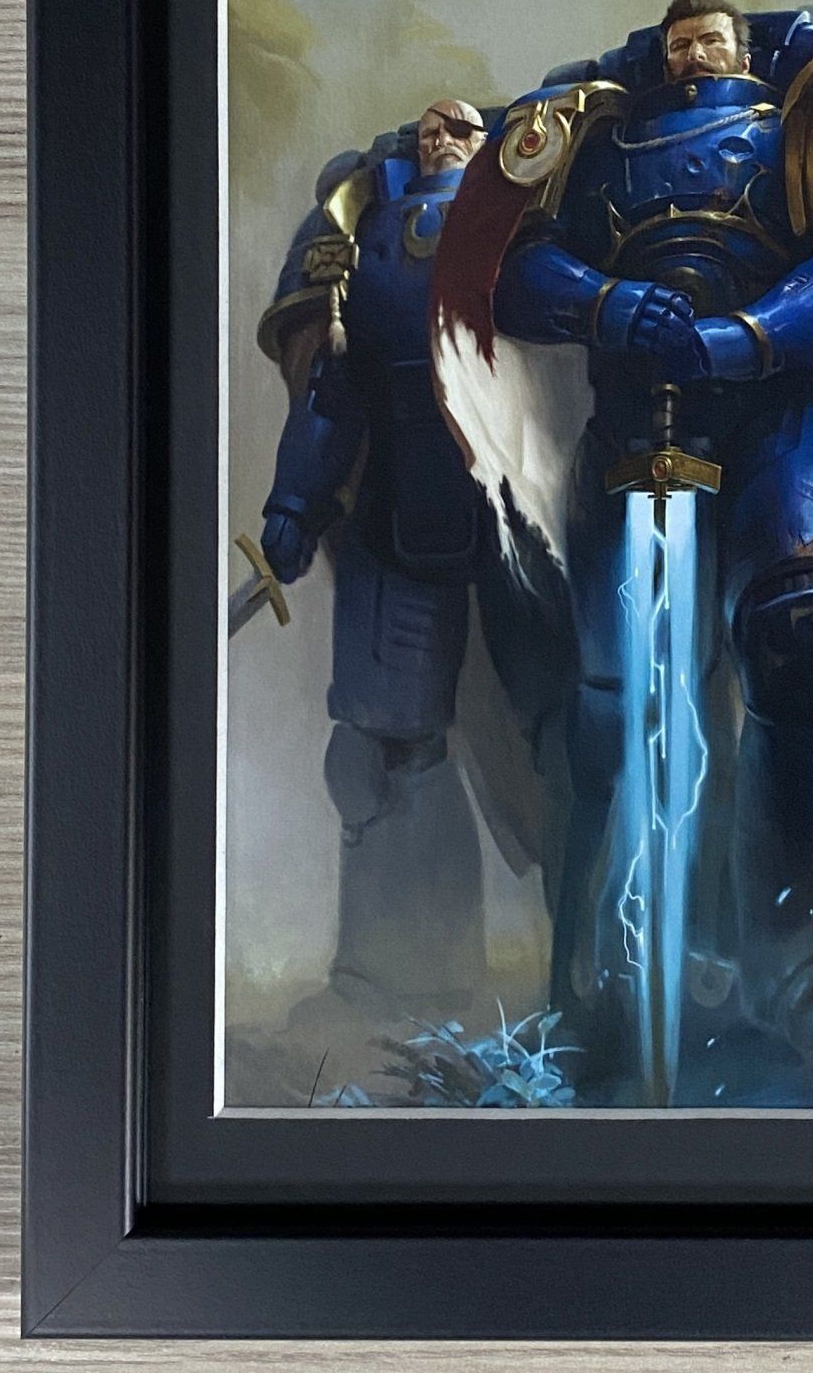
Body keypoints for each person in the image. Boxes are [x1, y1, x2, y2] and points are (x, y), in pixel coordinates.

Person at [437, 0, 813, 1065]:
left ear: (741, 44)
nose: (693, 54)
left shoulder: (805, 116)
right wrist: (602, 304)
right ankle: (610, 977)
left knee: (811, 635)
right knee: (614, 706)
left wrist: (748, 334)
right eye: (680, 42)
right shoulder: (596, 133)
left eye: (711, 39)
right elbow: (506, 261)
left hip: (782, 421)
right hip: (632, 434)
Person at [254, 98, 565, 1031]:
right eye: (430, 127)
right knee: (380, 748)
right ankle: (400, 984)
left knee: (578, 734)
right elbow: (331, 392)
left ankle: (609, 980)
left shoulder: (528, 215)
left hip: (526, 500)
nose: (440, 134)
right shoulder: (363, 227)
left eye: (460, 128)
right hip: (398, 498)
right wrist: (293, 506)